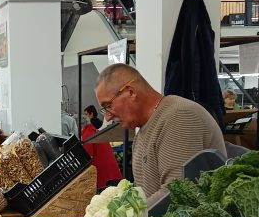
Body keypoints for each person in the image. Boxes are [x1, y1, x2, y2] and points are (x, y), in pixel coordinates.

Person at [95, 64, 226, 208]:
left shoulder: (179, 117)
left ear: (131, 92)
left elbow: (176, 195)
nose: (107, 117)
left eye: (108, 105)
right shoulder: (144, 129)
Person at [81, 112, 122, 190]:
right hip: (111, 171)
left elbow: (88, 156)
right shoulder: (94, 131)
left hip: (103, 172)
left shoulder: (87, 135)